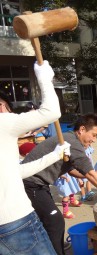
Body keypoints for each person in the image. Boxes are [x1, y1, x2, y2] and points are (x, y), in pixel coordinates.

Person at [22, 113, 97, 255]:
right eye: (94, 135)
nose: (94, 140)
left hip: (38, 184)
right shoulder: (71, 141)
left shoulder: (69, 139)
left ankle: (50, 246)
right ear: (82, 129)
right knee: (55, 222)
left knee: (46, 221)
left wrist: (95, 174)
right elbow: (89, 173)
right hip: (31, 183)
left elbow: (72, 170)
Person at [0, 60, 71, 255]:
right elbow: (51, 112)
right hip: (15, 222)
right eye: (5, 106)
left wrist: (55, 155)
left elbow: (17, 172)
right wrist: (44, 77)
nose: (7, 112)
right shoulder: (2, 121)